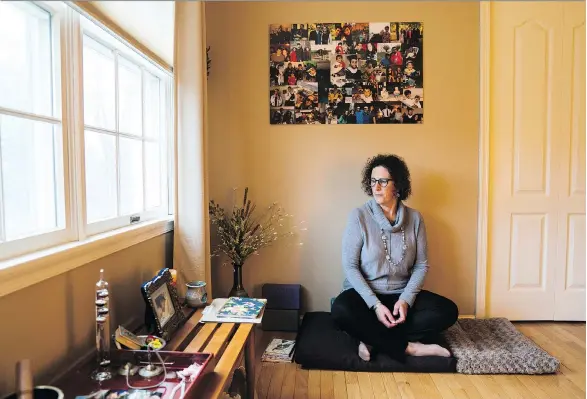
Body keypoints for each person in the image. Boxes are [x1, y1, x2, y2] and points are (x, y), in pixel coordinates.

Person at [332, 154, 458, 362]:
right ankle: (408, 347)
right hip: (366, 297)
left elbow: (421, 265)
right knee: (340, 310)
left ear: (397, 185)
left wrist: (406, 300)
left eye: (383, 181)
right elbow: (350, 266)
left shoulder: (415, 219)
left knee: (447, 311)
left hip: (400, 294)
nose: (376, 187)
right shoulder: (359, 216)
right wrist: (376, 305)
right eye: (373, 181)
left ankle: (370, 337)